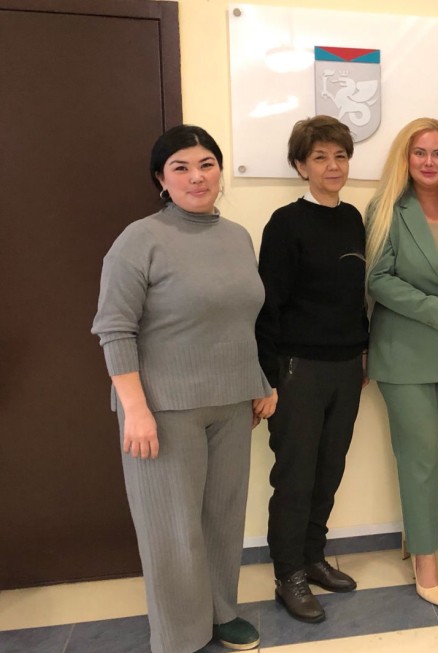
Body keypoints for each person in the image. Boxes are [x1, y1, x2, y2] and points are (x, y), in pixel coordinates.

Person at [92, 125, 274, 652]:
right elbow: (114, 329)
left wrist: (259, 381)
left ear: (219, 171)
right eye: (181, 167)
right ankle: (179, 637)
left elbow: (240, 320)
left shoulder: (237, 236)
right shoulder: (140, 239)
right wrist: (135, 410)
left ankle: (221, 613)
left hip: (233, 405)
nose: (197, 177)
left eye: (206, 164)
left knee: (222, 518)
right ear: (161, 179)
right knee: (172, 530)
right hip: (163, 410)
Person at [365, 118, 438, 607]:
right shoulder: (387, 210)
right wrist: (435, 309)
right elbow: (378, 279)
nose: (429, 162)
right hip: (404, 353)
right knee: (418, 457)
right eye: (420, 153)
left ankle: (416, 534)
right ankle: (426, 557)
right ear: (406, 158)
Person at [254, 116, 367, 623]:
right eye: (320, 157)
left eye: (340, 156)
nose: (332, 166)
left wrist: (362, 353)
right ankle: (288, 575)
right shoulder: (285, 223)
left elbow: (354, 298)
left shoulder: (353, 219)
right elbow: (268, 306)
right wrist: (266, 379)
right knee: (295, 476)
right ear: (301, 166)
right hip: (297, 370)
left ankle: (313, 556)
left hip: (346, 368)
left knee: (329, 469)